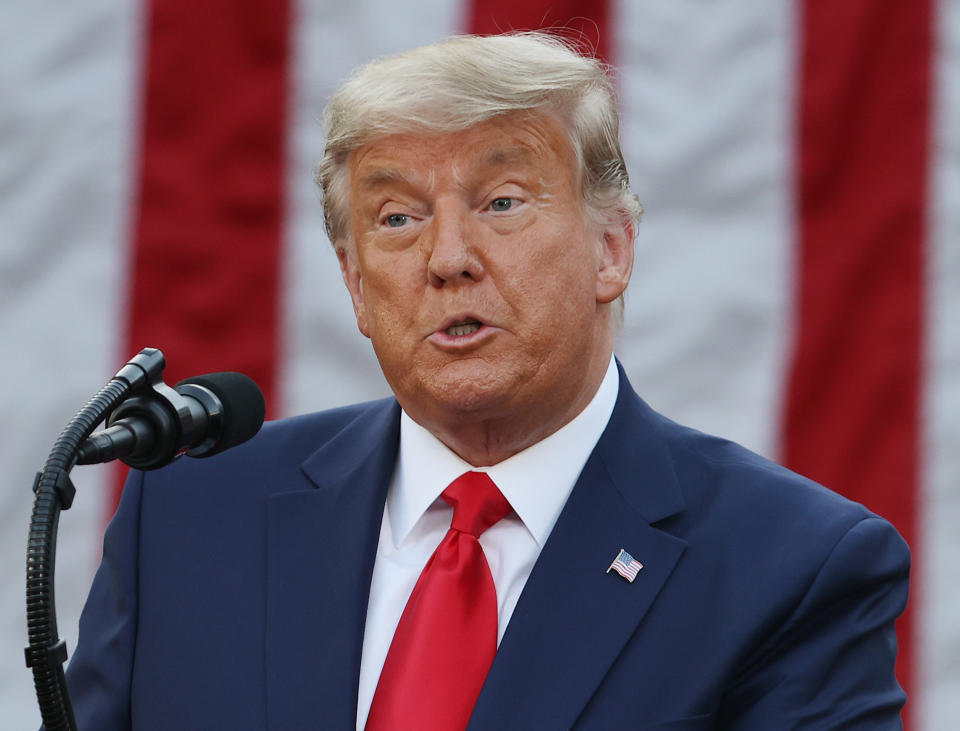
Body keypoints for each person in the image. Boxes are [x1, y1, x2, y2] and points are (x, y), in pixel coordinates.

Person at [62, 32, 909, 730]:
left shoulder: (792, 569)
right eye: (397, 218)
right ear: (357, 285)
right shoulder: (188, 517)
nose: (449, 258)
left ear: (610, 249)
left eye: (503, 201)